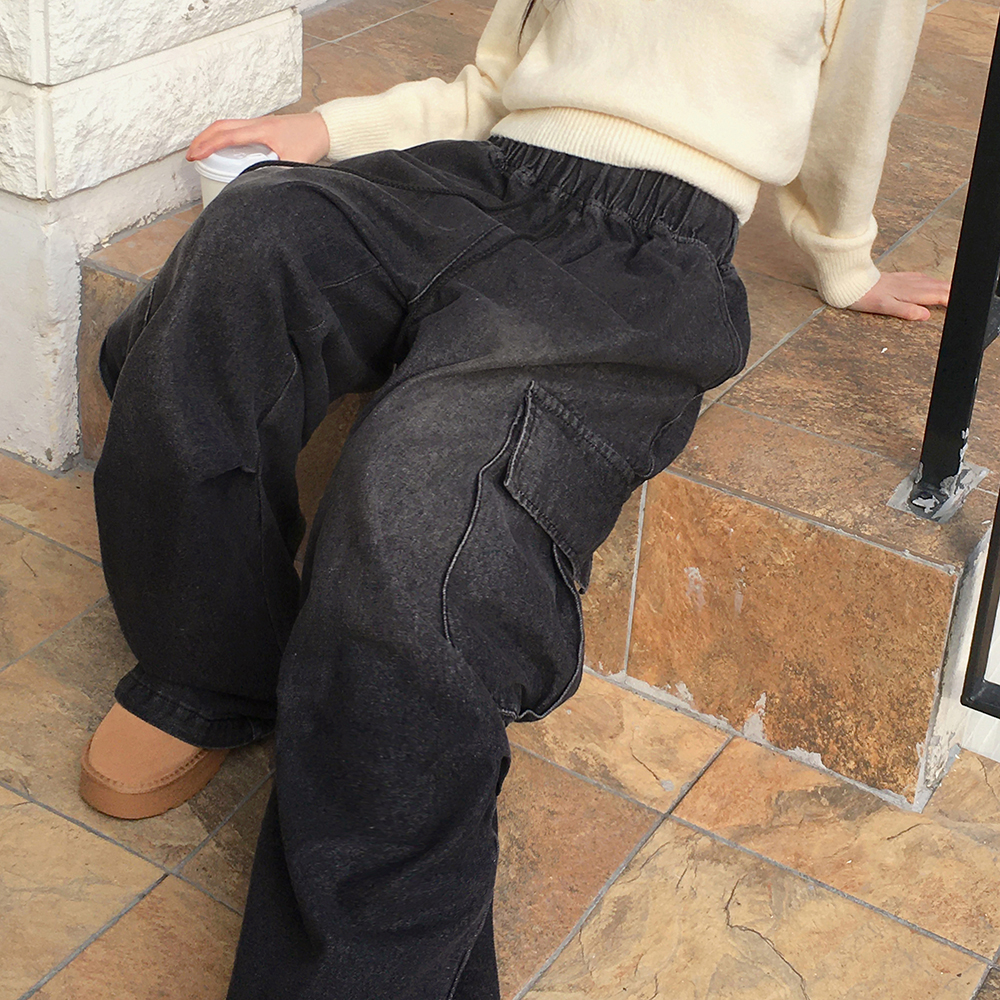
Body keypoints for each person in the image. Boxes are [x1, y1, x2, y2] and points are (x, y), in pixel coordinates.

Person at [80, 0, 948, 996]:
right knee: (249, 237)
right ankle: (211, 668)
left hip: (648, 250)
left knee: (423, 503)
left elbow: (853, 108)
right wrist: (326, 129)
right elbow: (494, 79)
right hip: (483, 178)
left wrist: (844, 259)